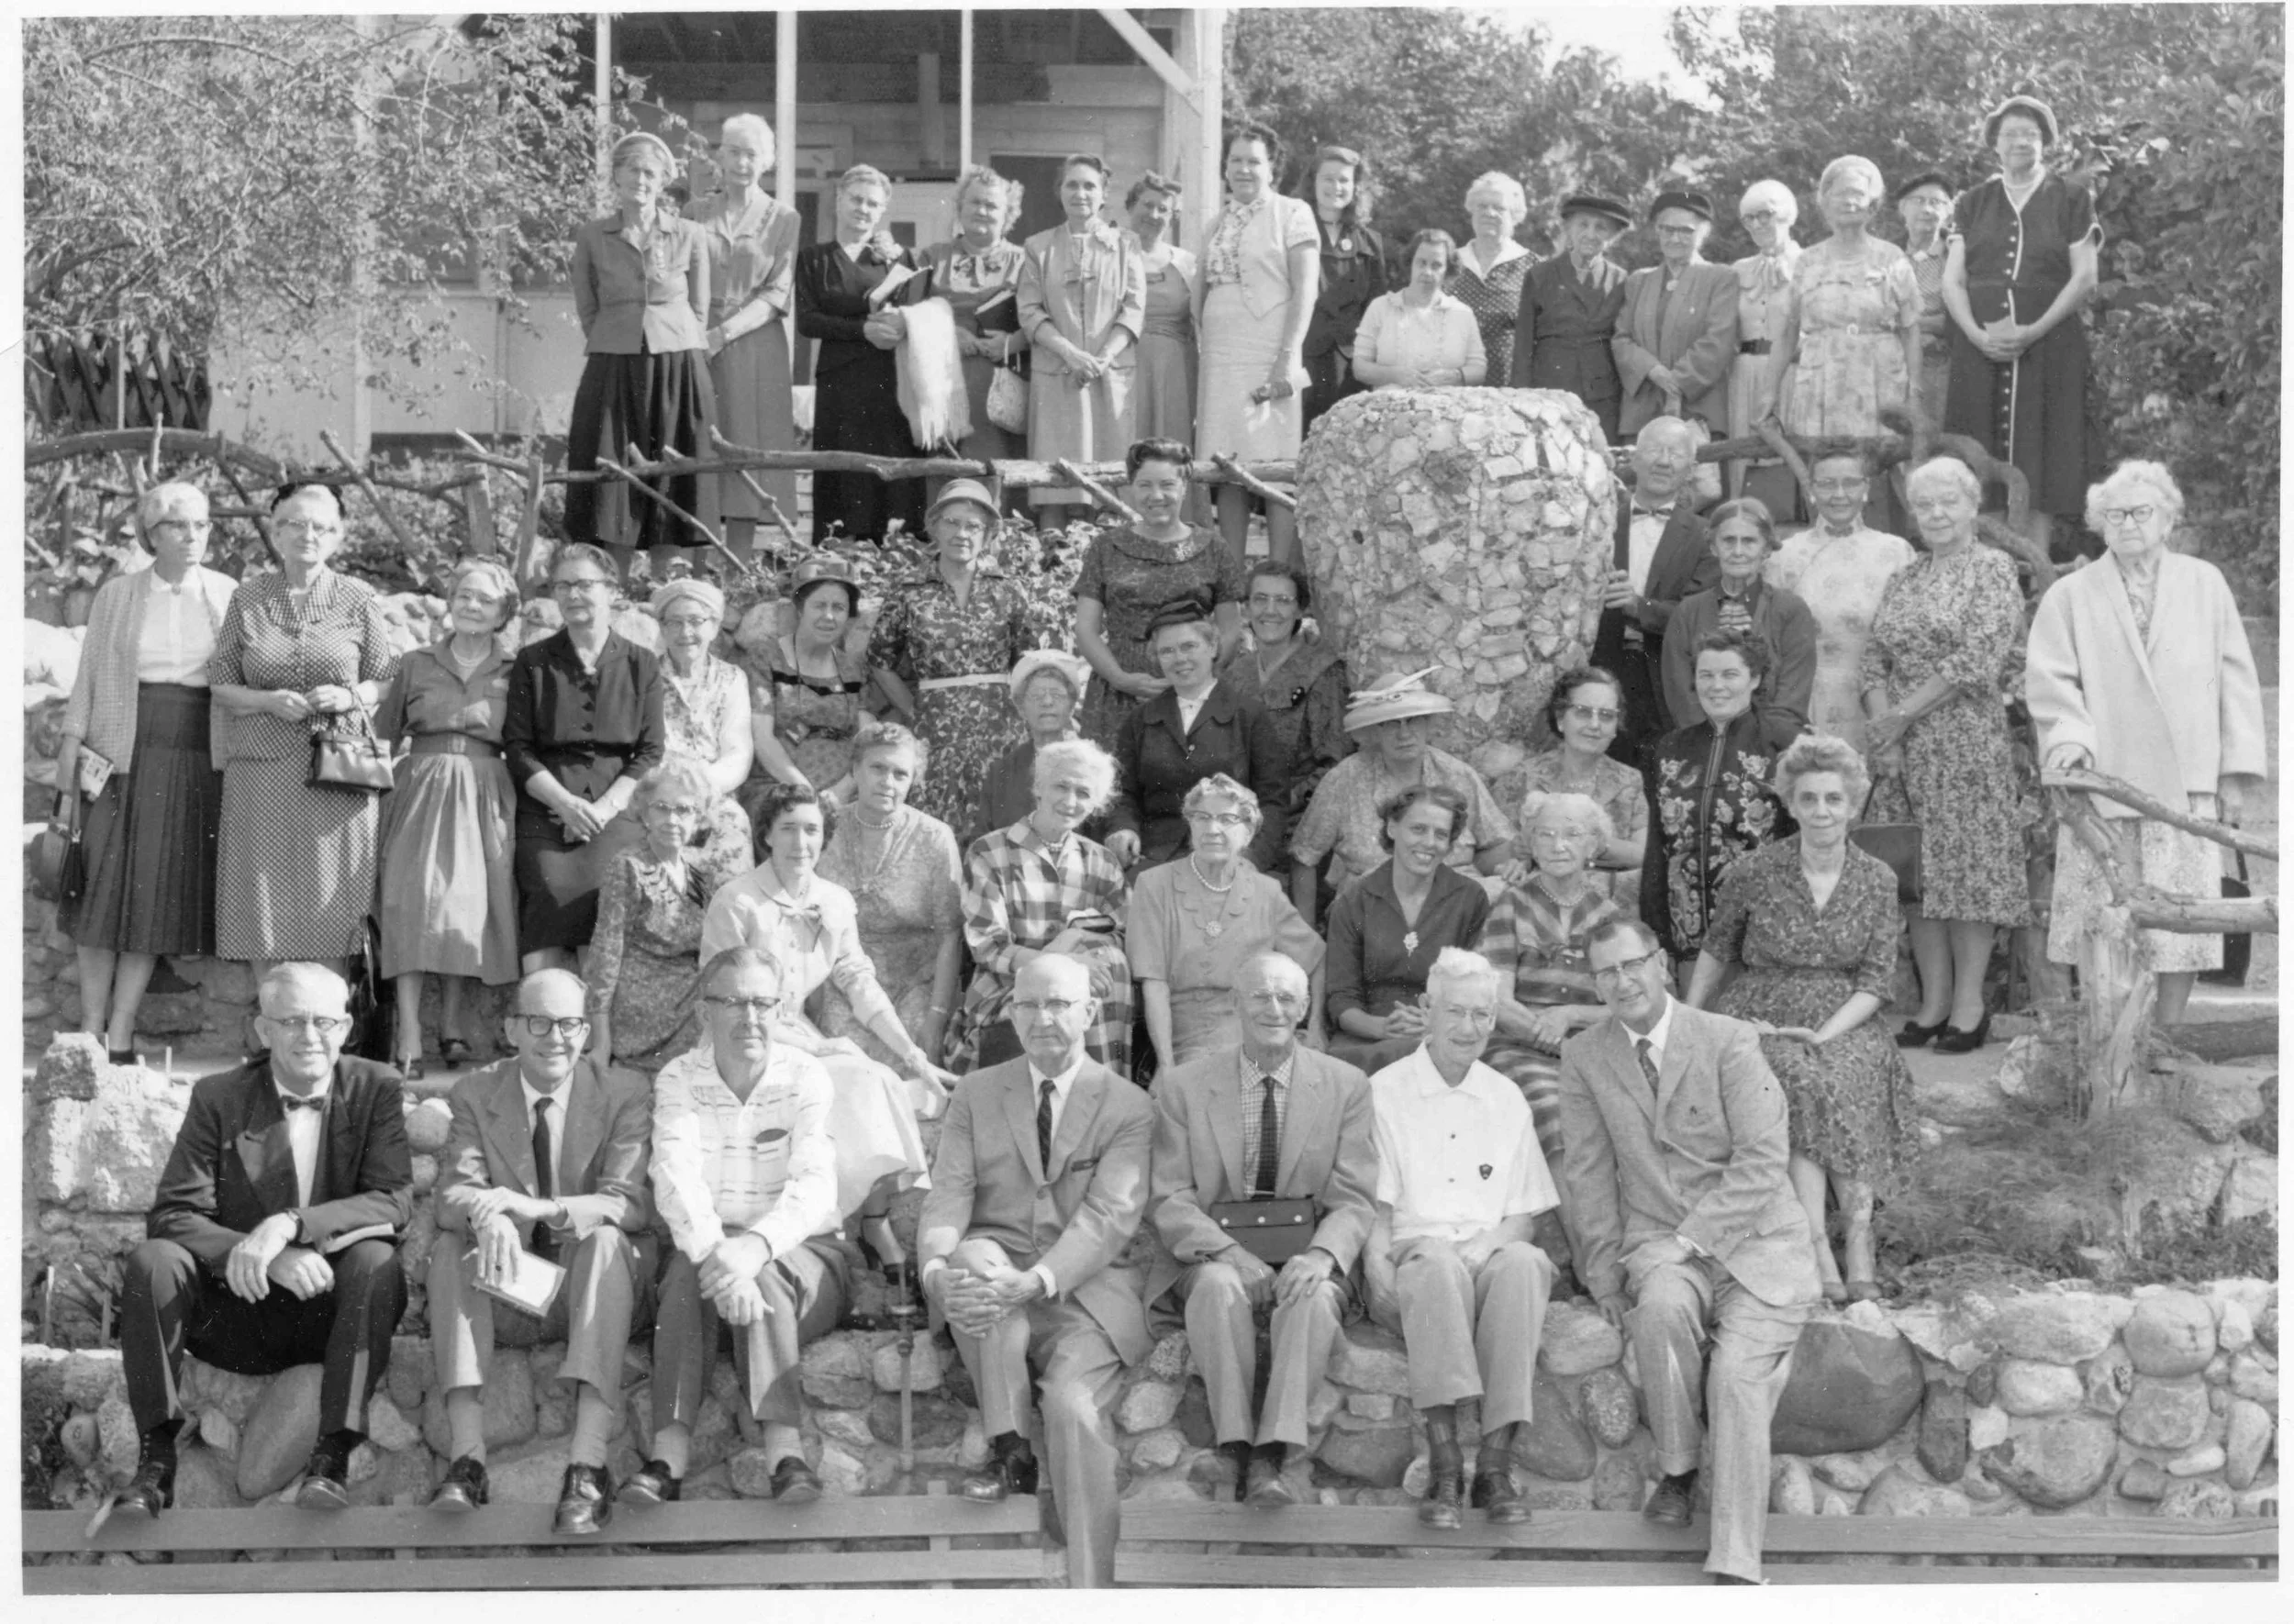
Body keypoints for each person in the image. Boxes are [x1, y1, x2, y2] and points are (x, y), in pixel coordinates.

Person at [1559, 918, 1817, 1585]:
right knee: (1658, 1313)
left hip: (1758, 1243)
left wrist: (1689, 1239)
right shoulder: (1585, 1055)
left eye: (1633, 964)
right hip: (1656, 1242)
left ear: (1662, 965)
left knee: (1736, 1379)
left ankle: (1735, 1565)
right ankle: (1678, 1467)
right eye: (1605, 972)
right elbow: (1586, 1173)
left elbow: (1764, 1161)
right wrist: (1603, 1275)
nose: (1622, 981)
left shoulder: (1728, 1040)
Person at [116, 963, 413, 1516]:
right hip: (235, 1312)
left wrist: (290, 1226)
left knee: (377, 1261)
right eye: (292, 1021)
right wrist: (257, 1256)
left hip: (329, 1312)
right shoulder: (219, 1096)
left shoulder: (377, 1088)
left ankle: (333, 1455)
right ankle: (156, 1460)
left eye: (323, 1021)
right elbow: (174, 1213)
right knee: (153, 1261)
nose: (309, 1036)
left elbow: (393, 1199)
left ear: (346, 1028)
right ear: (262, 1030)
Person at [919, 953, 1154, 1589]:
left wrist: (1039, 1280)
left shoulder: (1128, 1105)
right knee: (968, 1265)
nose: (1042, 1017)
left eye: (1057, 1004)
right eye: (1027, 1004)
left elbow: (1108, 1217)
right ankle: (1009, 1446)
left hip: (1084, 1297)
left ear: (1088, 1012)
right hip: (996, 1274)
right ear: (1012, 1012)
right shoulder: (975, 1092)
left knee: (1075, 1413)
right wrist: (935, 1270)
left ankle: (1090, 1591)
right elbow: (949, 1194)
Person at [2025, 460, 2266, 1025]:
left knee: (2184, 922)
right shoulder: (2071, 594)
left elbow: (2235, 680)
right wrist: (2070, 743)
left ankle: (2167, 1035)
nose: (2128, 523)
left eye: (2141, 512)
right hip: (2105, 780)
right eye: (2114, 514)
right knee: (2103, 914)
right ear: (2098, 524)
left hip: (2186, 781)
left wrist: (2234, 773)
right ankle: (2112, 1038)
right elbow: (2052, 680)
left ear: (2168, 519)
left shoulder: (2205, 582)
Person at [1686, 737, 1918, 1303]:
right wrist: (1690, 1020)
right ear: (1790, 803)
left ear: (1852, 804)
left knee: (1849, 1074)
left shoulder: (1877, 879)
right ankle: (1816, 1241)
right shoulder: (1754, 871)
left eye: (1833, 799)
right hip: (1763, 1009)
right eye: (1809, 799)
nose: (1821, 812)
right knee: (1798, 1075)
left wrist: (1827, 1033)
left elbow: (1877, 982)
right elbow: (1718, 949)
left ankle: (1858, 1236)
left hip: (1846, 1014)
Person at [628, 946, 859, 1507]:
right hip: (709, 1251)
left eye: (761, 1002)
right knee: (685, 1277)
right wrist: (721, 1257)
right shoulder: (679, 1077)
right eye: (732, 1002)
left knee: (769, 1277)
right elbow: (674, 1175)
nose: (749, 1017)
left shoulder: (805, 1075)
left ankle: (786, 1453)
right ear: (705, 1012)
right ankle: (668, 1456)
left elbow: (815, 1185)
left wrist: (753, 1249)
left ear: (781, 1010)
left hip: (804, 1252)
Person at [1145, 952, 1375, 1506]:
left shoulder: (1346, 1085)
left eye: (1287, 998)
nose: (1274, 1008)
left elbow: (1355, 1197)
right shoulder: (1183, 1087)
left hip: (1306, 1247)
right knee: (1220, 1288)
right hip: (1213, 1252)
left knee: (1311, 1299)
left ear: (1304, 1008)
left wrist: (1321, 1257)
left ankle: (1273, 1451)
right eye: (1260, 996)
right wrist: (1230, 1254)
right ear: (1235, 1004)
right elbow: (1169, 1196)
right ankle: (1235, 1445)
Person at [428, 968, 653, 1530]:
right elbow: (453, 1194)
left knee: (604, 1240)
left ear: (587, 1030)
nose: (557, 1037)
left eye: (571, 1023)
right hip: (520, 1286)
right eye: (540, 1022)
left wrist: (542, 1209)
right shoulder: (477, 1094)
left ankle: (588, 1465)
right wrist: (491, 1216)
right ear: (511, 1029)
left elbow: (629, 1203)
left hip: (599, 1285)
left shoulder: (623, 1092)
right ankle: (467, 1458)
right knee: (451, 1255)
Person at [701, 781, 955, 1263]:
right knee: (852, 1075)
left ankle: (874, 1222)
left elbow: (857, 978)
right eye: (789, 829)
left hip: (798, 1034)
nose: (801, 843)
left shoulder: (833, 899)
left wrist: (911, 1053)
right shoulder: (736, 901)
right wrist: (820, 1049)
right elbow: (725, 998)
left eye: (812, 830)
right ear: (767, 836)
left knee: (878, 1076)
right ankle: (837, 1227)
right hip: (743, 1039)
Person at [1364, 947, 1558, 1529]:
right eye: (1455, 1012)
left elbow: (1525, 1214)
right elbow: (1375, 1207)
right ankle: (1447, 1462)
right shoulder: (1384, 1090)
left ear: (1495, 1020)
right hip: (1414, 1261)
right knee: (1435, 1264)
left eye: (1482, 1014)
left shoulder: (1506, 1097)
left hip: (1483, 1256)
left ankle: (1494, 1467)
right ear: (1427, 1009)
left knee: (1525, 1262)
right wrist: (1374, 1260)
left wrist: (1488, 1245)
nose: (1468, 1028)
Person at [54, 481, 235, 1063]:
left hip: (193, 748)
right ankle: (88, 1024)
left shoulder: (229, 594)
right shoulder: (119, 594)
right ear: (150, 534)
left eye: (203, 525)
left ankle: (123, 1029)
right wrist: (69, 743)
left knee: (152, 893)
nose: (194, 536)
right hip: (121, 746)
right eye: (180, 525)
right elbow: (88, 678)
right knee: (101, 887)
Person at [1863, 456, 2032, 1051]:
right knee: (1917, 877)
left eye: (1947, 502)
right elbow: (1873, 658)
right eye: (1924, 505)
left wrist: (1900, 717)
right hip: (1900, 751)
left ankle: (1968, 1005)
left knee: (1968, 875)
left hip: (1964, 744)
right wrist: (1883, 729)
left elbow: (1975, 659)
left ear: (1971, 505)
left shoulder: (1992, 569)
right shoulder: (1905, 577)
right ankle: (1932, 1002)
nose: (1935, 514)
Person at [209, 484, 400, 978]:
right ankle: (272, 1019)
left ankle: (329, 1019)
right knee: (261, 890)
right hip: (261, 771)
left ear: (338, 537)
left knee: (334, 890)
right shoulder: (248, 598)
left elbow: (386, 678)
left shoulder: (359, 599)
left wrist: (350, 695)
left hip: (339, 771)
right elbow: (221, 683)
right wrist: (266, 701)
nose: (308, 534)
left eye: (320, 526)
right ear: (275, 532)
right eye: (296, 523)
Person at [374, 558, 521, 1077]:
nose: (472, 605)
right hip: (421, 789)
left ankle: (453, 1026)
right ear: (450, 602)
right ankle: (410, 1032)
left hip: (485, 791)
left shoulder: (514, 668)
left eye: (485, 599)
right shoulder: (416, 663)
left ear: (504, 611)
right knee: (412, 905)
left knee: (465, 912)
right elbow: (383, 734)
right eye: (463, 595)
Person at [1943, 95, 2102, 551]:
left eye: (2030, 134)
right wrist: (1974, 334)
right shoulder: (1972, 202)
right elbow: (1954, 280)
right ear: (1995, 143)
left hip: (2050, 345)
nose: (2020, 142)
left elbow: (2085, 276)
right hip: (1979, 348)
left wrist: (2034, 330)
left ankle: (2035, 570)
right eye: (2010, 134)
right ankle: (1988, 566)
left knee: (2044, 456)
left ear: (2045, 143)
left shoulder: (2070, 197)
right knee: (1978, 449)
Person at [504, 542, 665, 970]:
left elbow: (650, 750)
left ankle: (598, 1033)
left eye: (584, 584)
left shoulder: (642, 663)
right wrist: (566, 804)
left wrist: (605, 809)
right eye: (563, 585)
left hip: (618, 812)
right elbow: (517, 748)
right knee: (546, 897)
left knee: (608, 902)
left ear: (612, 590)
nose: (573, 594)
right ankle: (544, 1020)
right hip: (547, 810)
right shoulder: (533, 662)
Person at [566, 131, 716, 574]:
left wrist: (669, 335)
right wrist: (619, 335)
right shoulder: (593, 236)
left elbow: (701, 307)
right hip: (614, 363)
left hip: (677, 364)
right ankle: (615, 578)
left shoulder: (689, 233)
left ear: (665, 179)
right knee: (613, 466)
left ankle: (666, 579)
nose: (641, 180)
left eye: (650, 172)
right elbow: (587, 306)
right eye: (632, 169)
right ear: (615, 176)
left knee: (673, 466)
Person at [955, 738, 1133, 1077]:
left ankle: (1101, 1099)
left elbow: (1119, 933)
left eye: (1083, 793)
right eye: (1061, 787)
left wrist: (1072, 947)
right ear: (1038, 787)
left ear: (1096, 802)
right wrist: (1064, 960)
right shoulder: (989, 852)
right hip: (1007, 992)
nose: (1070, 801)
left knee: (1111, 962)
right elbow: (989, 947)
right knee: (1079, 985)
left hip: (1084, 999)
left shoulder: (1102, 862)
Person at [867, 480, 1035, 834]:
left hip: (1000, 727)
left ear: (988, 534)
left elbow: (1029, 663)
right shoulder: (909, 590)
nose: (962, 533)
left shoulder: (1008, 589)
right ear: (934, 528)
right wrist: (916, 711)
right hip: (936, 729)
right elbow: (880, 659)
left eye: (973, 526)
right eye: (952, 522)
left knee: (1001, 821)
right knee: (938, 825)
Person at [1127, 774, 1326, 1072]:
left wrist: (1316, 1027)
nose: (1212, 829)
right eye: (1202, 817)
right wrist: (1165, 1066)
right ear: (1190, 825)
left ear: (1248, 833)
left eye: (1227, 819)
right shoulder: (1154, 885)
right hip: (1190, 1041)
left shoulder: (1266, 892)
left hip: (1259, 1029)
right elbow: (1155, 985)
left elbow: (1318, 957)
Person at [1765, 156, 1924, 526]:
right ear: (1823, 201)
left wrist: (1915, 387)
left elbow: (1911, 327)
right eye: (1841, 193)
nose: (1850, 201)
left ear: (1874, 202)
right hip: (1822, 381)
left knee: (1884, 466)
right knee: (1824, 464)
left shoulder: (1892, 256)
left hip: (1880, 378)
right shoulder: (1807, 260)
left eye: (1859, 193)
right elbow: (1788, 332)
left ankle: (1887, 553)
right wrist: (1768, 391)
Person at [1477, 793, 1629, 1175]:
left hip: (1590, 1049)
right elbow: (1498, 1001)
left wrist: (1570, 1014)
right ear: (1530, 842)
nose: (1558, 845)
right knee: (1557, 1110)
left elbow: (1623, 1004)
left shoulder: (1607, 915)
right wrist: (1549, 1036)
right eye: (1545, 834)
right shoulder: (1511, 903)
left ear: (1593, 844)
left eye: (1572, 834)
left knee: (1624, 1115)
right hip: (1518, 1048)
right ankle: (1587, 1236)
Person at [1290, 670, 1514, 917]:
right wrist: (1307, 939)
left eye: (1413, 721)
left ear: (1428, 724)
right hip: (1374, 909)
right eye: (1391, 723)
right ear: (1374, 731)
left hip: (1455, 905)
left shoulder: (1457, 775)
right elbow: (1304, 857)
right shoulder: (1344, 780)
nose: (1404, 733)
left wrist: (1512, 864)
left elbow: (1496, 844)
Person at [1196, 121, 1319, 566]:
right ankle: (1231, 577)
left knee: (1274, 465)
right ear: (1225, 168)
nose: (1244, 169)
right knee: (1226, 466)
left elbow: (1305, 291)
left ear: (1272, 168)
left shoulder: (1293, 213)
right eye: (1236, 160)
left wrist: (1286, 358)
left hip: (1268, 352)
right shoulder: (1215, 223)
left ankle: (1278, 574)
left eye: (1254, 161)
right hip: (1219, 357)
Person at [1073, 438, 1245, 744]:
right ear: (1131, 486)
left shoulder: (1213, 548)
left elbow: (1231, 628)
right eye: (1144, 485)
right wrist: (1121, 679)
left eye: (1167, 484)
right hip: (1119, 697)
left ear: (1184, 485)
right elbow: (1086, 629)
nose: (1156, 496)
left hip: (1194, 698)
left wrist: (1199, 679)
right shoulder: (1105, 548)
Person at [796, 163, 932, 544]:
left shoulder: (896, 258)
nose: (863, 209)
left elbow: (917, 311)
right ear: (838, 200)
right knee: (841, 477)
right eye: (856, 199)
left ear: (883, 209)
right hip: (839, 380)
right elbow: (808, 321)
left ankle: (888, 561)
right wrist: (861, 330)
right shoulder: (814, 258)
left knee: (884, 476)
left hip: (889, 380)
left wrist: (896, 325)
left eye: (873, 203)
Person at [1645, 630, 1800, 966]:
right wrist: (1657, 933)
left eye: (1730, 675)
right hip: (1688, 934)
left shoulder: (1783, 743)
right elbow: (1657, 846)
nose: (1717, 686)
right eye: (1706, 675)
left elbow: (1803, 838)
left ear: (1755, 678)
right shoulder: (1671, 749)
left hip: (1762, 937)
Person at [817, 721, 965, 1070]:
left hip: (916, 984)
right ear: (855, 771)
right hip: (844, 980)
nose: (887, 782)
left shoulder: (935, 838)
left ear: (913, 780)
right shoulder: (824, 829)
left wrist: (937, 1016)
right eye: (877, 768)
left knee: (915, 1056)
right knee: (844, 1063)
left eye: (900, 774)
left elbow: (950, 934)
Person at [585, 756, 749, 1072]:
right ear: (644, 813)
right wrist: (601, 1042)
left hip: (689, 1000)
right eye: (661, 807)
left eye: (684, 809)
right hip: (642, 1011)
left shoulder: (699, 872)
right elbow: (605, 954)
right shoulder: (628, 866)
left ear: (699, 817)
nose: (672, 820)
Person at [1104, 599, 1287, 873]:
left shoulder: (1248, 716)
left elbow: (1273, 801)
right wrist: (1123, 829)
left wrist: (1252, 858)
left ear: (1212, 647)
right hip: (1155, 860)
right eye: (1167, 651)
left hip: (1229, 859)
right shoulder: (1140, 720)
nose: (1180, 659)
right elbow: (1122, 793)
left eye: (1189, 646)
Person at [1324, 784, 1495, 1075]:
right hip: (1367, 1038)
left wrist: (1436, 1022)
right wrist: (1382, 1027)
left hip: (1447, 1031)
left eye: (1441, 834)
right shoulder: (1355, 901)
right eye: (1418, 829)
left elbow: (1476, 986)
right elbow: (1341, 999)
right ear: (1392, 828)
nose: (1429, 842)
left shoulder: (1469, 898)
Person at [1762, 444, 1918, 752]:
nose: (1839, 494)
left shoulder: (1896, 553)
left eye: (1850, 483)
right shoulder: (1786, 555)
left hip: (1879, 703)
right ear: (1811, 490)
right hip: (1807, 700)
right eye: (1827, 484)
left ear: (1866, 488)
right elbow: (1771, 641)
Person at [1019, 153, 1145, 530]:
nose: (1080, 193)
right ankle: (1049, 574)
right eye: (1071, 184)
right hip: (1057, 375)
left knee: (1107, 482)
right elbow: (1029, 311)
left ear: (1104, 193)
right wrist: (1071, 354)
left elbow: (1134, 308)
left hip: (1109, 378)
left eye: (1089, 185)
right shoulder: (1038, 247)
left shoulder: (1126, 244)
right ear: (1059, 192)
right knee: (1054, 482)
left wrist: (1103, 358)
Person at [695, 113, 801, 555]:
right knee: (700, 445)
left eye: (751, 154)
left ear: (768, 161)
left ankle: (737, 568)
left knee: (745, 447)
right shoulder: (694, 212)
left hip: (754, 344)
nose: (741, 162)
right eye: (733, 151)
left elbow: (777, 292)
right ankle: (694, 566)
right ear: (719, 155)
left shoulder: (783, 218)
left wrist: (723, 334)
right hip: (697, 338)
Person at [1588, 417, 1720, 767]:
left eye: (1675, 454)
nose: (1663, 461)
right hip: (1602, 673)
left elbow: (1698, 615)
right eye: (1654, 450)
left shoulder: (1705, 537)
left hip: (1667, 680)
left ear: (1690, 470)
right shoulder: (1597, 523)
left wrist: (1638, 606)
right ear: (1633, 459)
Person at [1661, 497, 1818, 739]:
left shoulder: (1790, 611)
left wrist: (1752, 745)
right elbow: (1680, 694)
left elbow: (1792, 697)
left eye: (1749, 541)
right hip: (1701, 743)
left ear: (1766, 549)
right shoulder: (1688, 612)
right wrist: (1714, 741)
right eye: (1728, 541)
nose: (1737, 552)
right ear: (1713, 547)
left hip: (1771, 745)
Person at [1214, 560, 1351, 819]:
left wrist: (1275, 806)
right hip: (1236, 814)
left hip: (1299, 818)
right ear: (1246, 609)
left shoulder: (1323, 672)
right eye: (1260, 599)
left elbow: (1336, 765)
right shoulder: (1235, 675)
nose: (1270, 610)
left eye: (1283, 600)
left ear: (1300, 610)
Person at [743, 555, 874, 806]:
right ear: (800, 608)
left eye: (838, 608)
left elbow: (866, 740)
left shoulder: (852, 669)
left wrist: (842, 790)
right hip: (779, 783)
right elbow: (762, 737)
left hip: (844, 789)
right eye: (819, 605)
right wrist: (804, 792)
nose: (829, 616)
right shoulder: (766, 657)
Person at [924, 165, 1030, 471]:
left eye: (992, 205)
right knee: (943, 471)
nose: (982, 210)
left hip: (1001, 390)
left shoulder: (1025, 261)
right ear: (960, 207)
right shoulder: (933, 257)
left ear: (1007, 213)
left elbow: (1044, 317)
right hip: (943, 385)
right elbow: (909, 312)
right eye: (975, 202)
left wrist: (1013, 342)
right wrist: (947, 333)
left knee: (996, 471)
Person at [1613, 189, 1739, 439]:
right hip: (1644, 406)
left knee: (1700, 476)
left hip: (1698, 407)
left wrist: (1678, 383)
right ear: (1657, 231)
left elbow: (1719, 340)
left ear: (1703, 233)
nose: (1675, 238)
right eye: (1667, 229)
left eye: (1686, 231)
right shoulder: (1639, 281)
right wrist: (1653, 370)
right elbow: (1621, 339)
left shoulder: (1721, 278)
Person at [1519, 665, 1649, 905]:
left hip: (1610, 905)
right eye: (1583, 712)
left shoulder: (1630, 780)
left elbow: (1644, 856)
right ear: (1560, 719)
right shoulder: (1525, 777)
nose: (1595, 724)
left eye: (1607, 716)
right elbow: (1503, 854)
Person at [1509, 193, 1633, 441]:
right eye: (1583, 224)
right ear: (1568, 228)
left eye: (1601, 228)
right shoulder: (1540, 275)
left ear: (1612, 237)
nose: (1591, 234)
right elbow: (1523, 345)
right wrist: (1520, 400)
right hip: (1550, 388)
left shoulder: (1621, 280)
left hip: (1602, 393)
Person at [649, 575, 754, 860]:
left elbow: (738, 753)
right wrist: (670, 789)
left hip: (713, 795)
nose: (686, 632)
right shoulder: (644, 677)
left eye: (696, 621)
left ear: (714, 626)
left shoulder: (732, 679)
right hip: (657, 794)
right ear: (662, 627)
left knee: (733, 827)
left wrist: (699, 786)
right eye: (674, 622)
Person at [1296, 144, 1391, 430]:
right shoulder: (1294, 231)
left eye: (1344, 180)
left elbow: (1377, 309)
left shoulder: (1371, 241)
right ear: (1313, 182)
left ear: (1355, 187)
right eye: (1328, 178)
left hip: (1352, 365)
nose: (1335, 187)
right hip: (1304, 358)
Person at [1726, 180, 1805, 517]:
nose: (1758, 224)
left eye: (1766, 215)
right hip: (1744, 371)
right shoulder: (1737, 270)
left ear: (1787, 215)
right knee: (1741, 451)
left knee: (1790, 446)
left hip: (1792, 371)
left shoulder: (1811, 264)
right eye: (1749, 218)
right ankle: (1740, 520)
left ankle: (1798, 521)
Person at [972, 648, 1094, 850]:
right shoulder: (1002, 771)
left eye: (1057, 695)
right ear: (1021, 708)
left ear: (1072, 706)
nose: (1047, 702)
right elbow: (983, 837)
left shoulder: (1091, 765)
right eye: (1036, 696)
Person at [1124, 171, 1201, 485]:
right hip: (1126, 366)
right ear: (1131, 206)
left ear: (1173, 217)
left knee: (1172, 444)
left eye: (1163, 210)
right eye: (1147, 204)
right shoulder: (1113, 253)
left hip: (1174, 370)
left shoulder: (1186, 263)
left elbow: (1197, 321)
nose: (1154, 215)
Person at [1350, 228, 1487, 389]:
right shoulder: (1381, 307)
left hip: (1446, 408)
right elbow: (1359, 367)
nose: (1427, 272)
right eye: (1421, 263)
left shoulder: (1462, 314)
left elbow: (1478, 370)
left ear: (1448, 269)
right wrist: (1395, 375)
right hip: (1390, 408)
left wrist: (1455, 376)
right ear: (1411, 263)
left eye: (1436, 265)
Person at [1451, 172, 1534, 391]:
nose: (1489, 213)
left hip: (1509, 384)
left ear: (1515, 215)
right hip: (1454, 381)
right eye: (1482, 206)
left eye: (1499, 208)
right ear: (1471, 211)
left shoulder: (1533, 267)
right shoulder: (1449, 262)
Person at [1897, 170, 1956, 429]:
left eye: (1936, 202)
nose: (1927, 209)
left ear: (1949, 212)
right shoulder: (1886, 256)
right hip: (1891, 365)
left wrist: (1909, 322)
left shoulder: (1957, 257)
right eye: (1919, 201)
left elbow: (1961, 319)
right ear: (1903, 208)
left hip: (1939, 367)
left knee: (1933, 442)